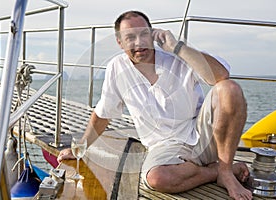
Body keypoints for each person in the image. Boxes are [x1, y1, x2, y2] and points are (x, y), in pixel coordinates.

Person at [58, 10, 252, 200]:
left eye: (143, 34)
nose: (139, 43)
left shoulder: (178, 57)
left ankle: (226, 171)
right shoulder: (117, 68)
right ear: (120, 42)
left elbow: (220, 76)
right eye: (130, 37)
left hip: (202, 136)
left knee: (229, 89)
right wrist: (80, 148)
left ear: (152, 35)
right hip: (164, 147)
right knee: (157, 178)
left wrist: (177, 47)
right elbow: (103, 113)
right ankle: (214, 171)